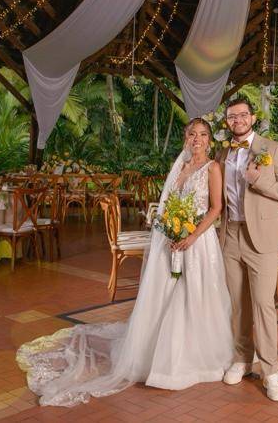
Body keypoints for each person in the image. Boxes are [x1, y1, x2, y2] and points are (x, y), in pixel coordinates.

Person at [16, 118, 233, 407]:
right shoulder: (180, 167)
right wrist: (170, 228)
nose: (197, 139)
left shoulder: (213, 168)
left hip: (199, 244)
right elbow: (168, 204)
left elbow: (216, 208)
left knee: (195, 295)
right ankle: (156, 355)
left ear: (210, 140)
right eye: (192, 134)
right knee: (169, 295)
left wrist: (191, 236)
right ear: (185, 137)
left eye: (203, 134)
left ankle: (193, 358)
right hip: (174, 241)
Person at [216, 98, 278, 402]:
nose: (237, 120)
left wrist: (260, 183)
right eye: (231, 116)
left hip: (261, 238)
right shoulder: (222, 152)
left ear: (252, 117)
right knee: (237, 304)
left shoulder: (273, 149)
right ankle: (242, 359)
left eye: (242, 115)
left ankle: (271, 371)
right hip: (230, 235)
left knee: (263, 305)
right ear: (227, 122)